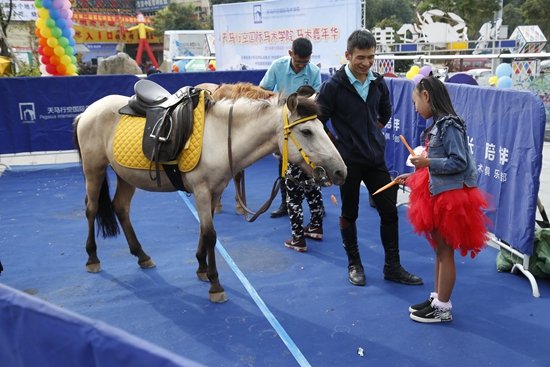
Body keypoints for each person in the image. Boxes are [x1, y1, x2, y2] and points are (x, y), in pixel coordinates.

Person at [316, 29, 422, 286]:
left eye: (371, 57)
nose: (366, 63)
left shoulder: (378, 82)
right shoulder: (332, 86)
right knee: (349, 213)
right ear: (347, 55)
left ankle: (392, 267)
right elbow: (319, 121)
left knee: (389, 212)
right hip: (348, 161)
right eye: (360, 57)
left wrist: (372, 134)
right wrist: (338, 145)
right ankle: (354, 264)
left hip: (375, 159)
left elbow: (384, 112)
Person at [395, 76, 489, 323]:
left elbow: (459, 162)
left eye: (416, 102)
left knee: (445, 252)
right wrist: (415, 174)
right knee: (439, 250)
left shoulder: (450, 125)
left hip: (451, 197)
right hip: (439, 193)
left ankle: (443, 307)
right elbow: (439, 163)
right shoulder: (438, 125)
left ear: (426, 95)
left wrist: (427, 163)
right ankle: (438, 297)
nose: (415, 108)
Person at [259, 37, 324, 252]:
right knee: (285, 167)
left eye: (304, 63)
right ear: (290, 53)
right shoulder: (277, 66)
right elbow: (262, 91)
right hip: (283, 126)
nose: (301, 66)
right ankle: (284, 203)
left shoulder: (313, 71)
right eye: (298, 62)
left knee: (310, 169)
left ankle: (311, 216)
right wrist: (280, 101)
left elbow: (318, 99)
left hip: (304, 128)